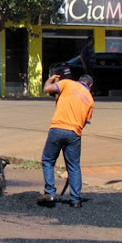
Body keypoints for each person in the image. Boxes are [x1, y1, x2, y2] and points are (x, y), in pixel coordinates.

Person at [37, 74, 94, 208]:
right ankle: (75, 200)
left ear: (79, 81)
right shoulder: (90, 99)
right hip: (75, 132)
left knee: (48, 160)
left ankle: (50, 193)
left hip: (57, 128)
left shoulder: (67, 83)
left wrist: (50, 79)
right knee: (74, 166)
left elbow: (47, 89)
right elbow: (85, 121)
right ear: (90, 85)